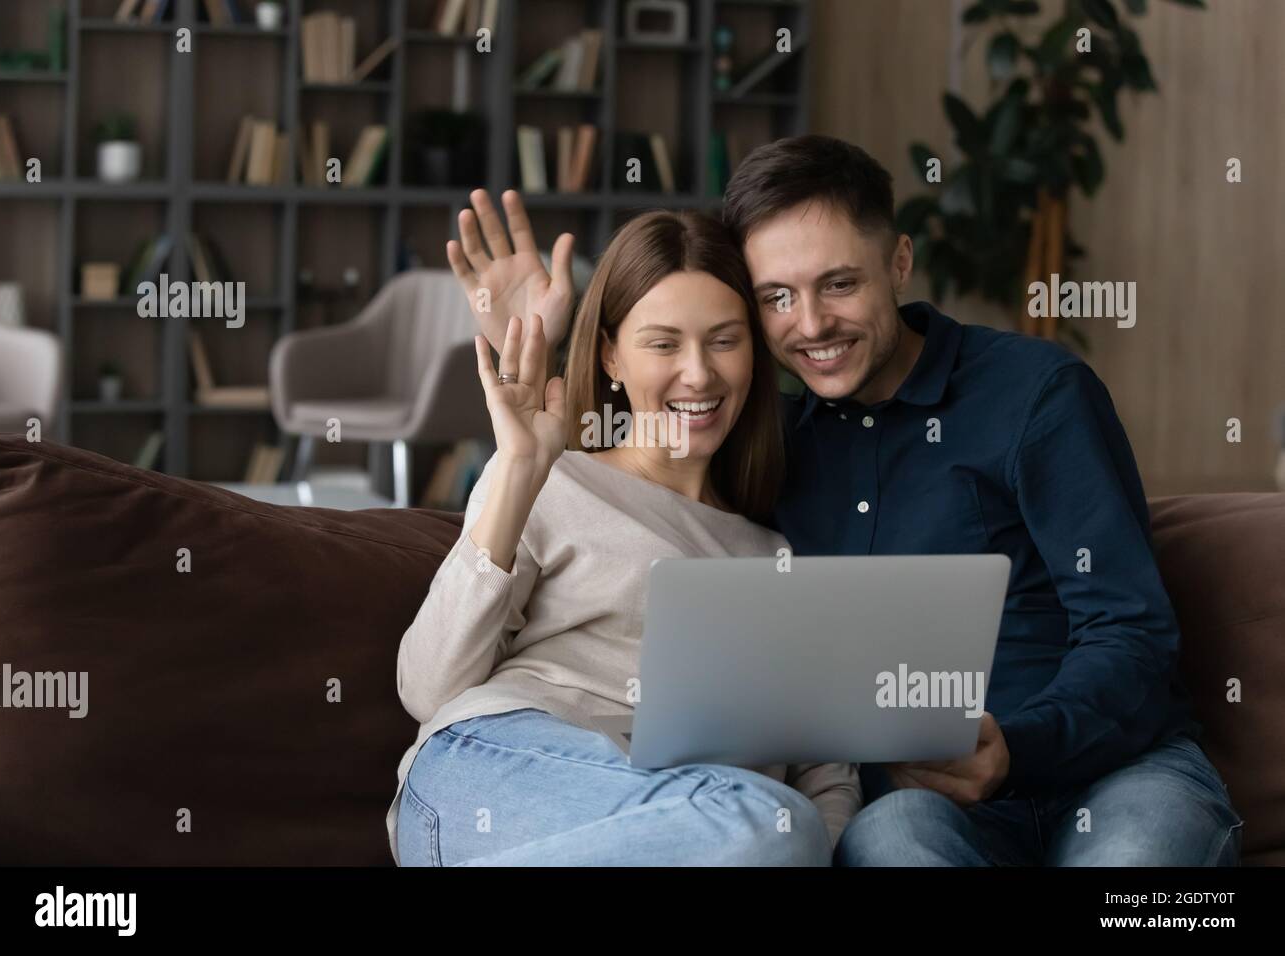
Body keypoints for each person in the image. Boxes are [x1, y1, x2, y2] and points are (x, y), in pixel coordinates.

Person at [452, 134, 1242, 867]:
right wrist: (530, 343)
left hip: (1115, 771)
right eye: (776, 298)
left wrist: (1019, 746)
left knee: (1136, 857)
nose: (812, 324)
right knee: (889, 844)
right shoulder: (770, 449)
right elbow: (649, 448)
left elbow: (1133, 630)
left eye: (839, 284)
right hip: (926, 802)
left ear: (900, 262)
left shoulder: (1036, 395)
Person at [387, 209, 859, 866]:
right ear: (611, 354)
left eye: (724, 340)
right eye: (663, 344)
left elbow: (825, 778)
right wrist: (520, 468)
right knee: (769, 822)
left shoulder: (772, 556)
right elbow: (428, 687)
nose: (698, 375)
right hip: (490, 775)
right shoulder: (552, 476)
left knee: (776, 826)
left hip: (689, 825)